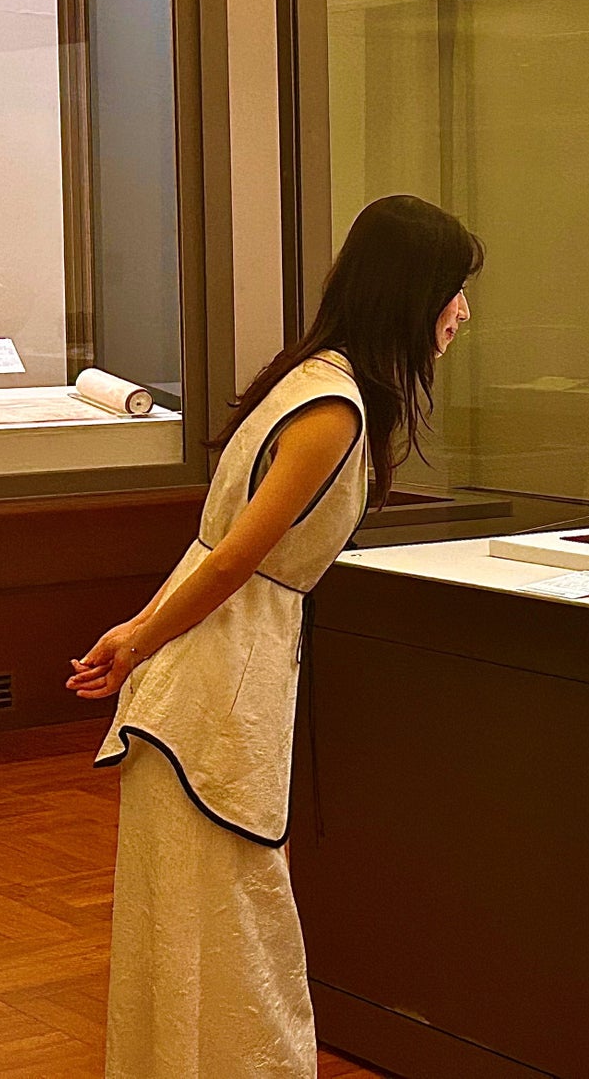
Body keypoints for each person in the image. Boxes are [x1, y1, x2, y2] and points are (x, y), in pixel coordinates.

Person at [65, 194, 482, 1078]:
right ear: (411, 294)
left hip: (205, 678)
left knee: (200, 918)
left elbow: (221, 552)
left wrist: (140, 636)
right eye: (454, 290)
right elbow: (232, 562)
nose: (463, 312)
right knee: (231, 921)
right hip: (216, 688)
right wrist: (136, 639)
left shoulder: (308, 377)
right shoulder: (334, 407)